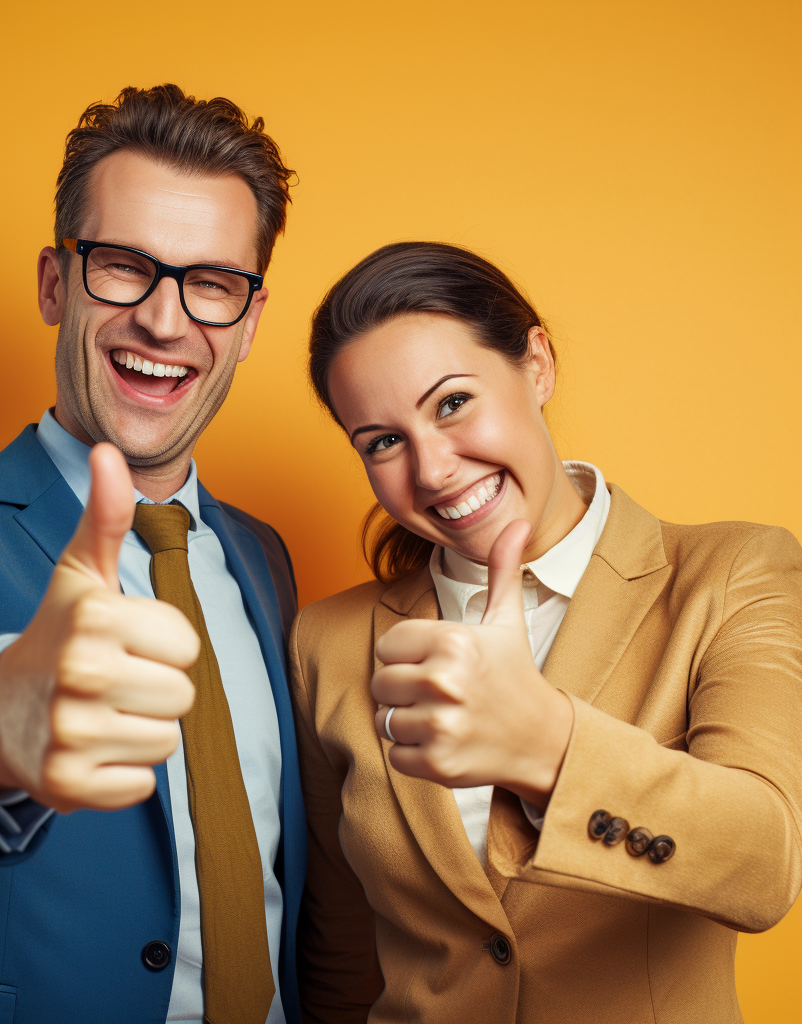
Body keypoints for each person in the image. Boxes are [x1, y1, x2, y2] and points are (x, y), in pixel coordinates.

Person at [0, 85, 305, 1024]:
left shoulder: (263, 559)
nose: (165, 321)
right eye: (123, 266)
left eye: (211, 284)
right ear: (54, 284)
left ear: (248, 322)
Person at [290, 241, 802, 1023]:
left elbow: (766, 865)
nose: (432, 470)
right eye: (383, 442)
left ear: (537, 365)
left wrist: (549, 750)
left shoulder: (732, 574)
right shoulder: (326, 643)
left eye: (452, 403)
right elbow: (341, 954)